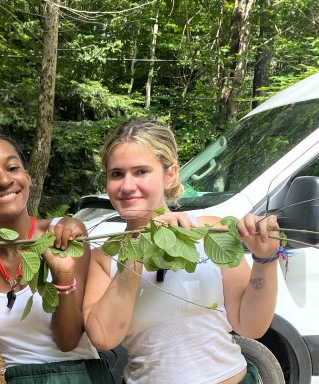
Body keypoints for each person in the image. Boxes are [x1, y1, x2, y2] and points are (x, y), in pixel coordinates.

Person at [83, 117, 281, 383]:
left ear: (170, 174)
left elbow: (250, 326)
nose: (127, 186)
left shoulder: (211, 233)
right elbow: (104, 337)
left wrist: (265, 259)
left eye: (141, 171)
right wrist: (138, 250)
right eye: (117, 174)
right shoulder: (103, 257)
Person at [0, 134, 115, 384]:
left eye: (12, 168)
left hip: (80, 375)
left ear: (28, 177)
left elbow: (68, 340)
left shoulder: (64, 235)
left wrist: (63, 277)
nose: (3, 180)